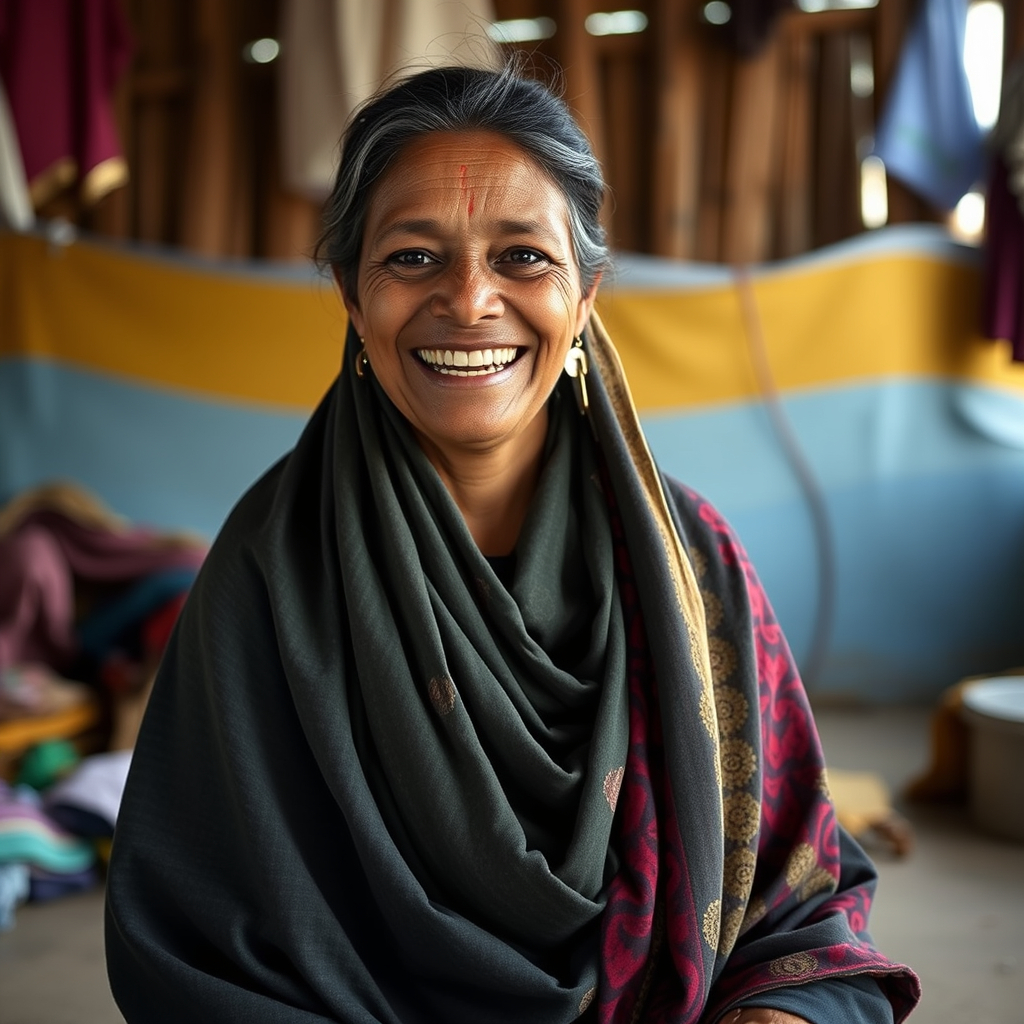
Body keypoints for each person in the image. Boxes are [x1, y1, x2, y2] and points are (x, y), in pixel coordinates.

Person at [104, 64, 920, 1023]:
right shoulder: (272, 571)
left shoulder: (690, 562)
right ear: (349, 296)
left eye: (523, 257)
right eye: (412, 258)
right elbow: (198, 952)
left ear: (585, 296)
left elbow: (803, 909)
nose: (470, 300)